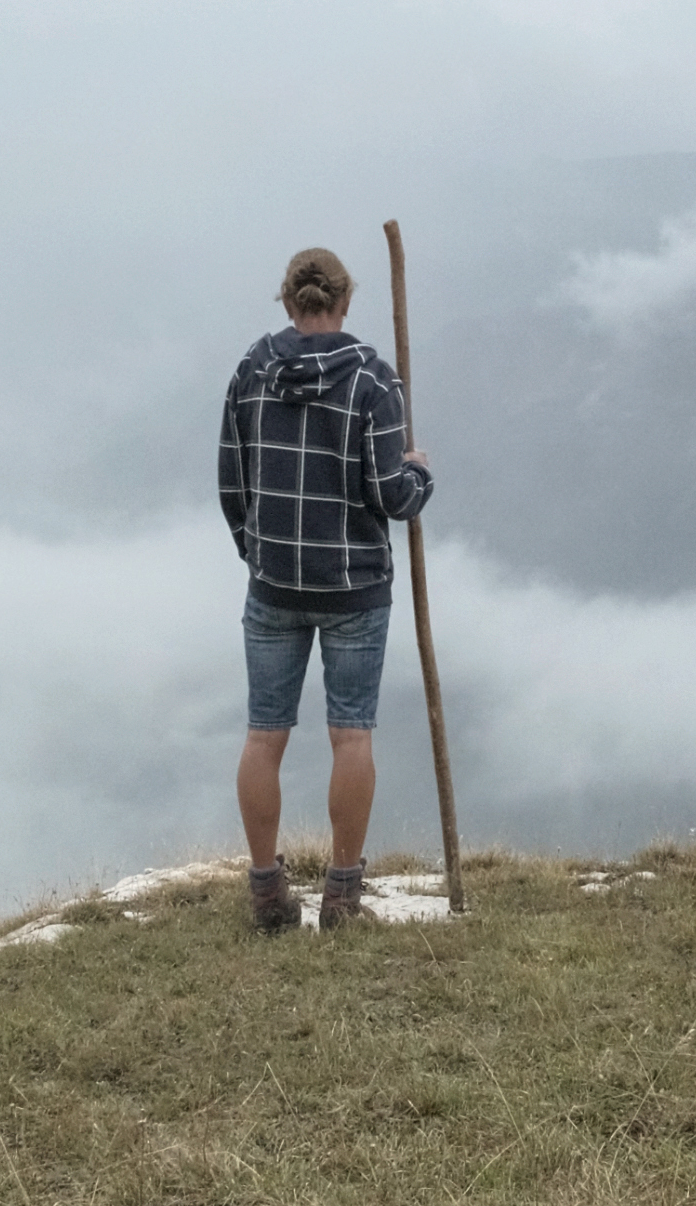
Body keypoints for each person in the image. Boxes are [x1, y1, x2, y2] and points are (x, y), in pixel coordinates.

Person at [218, 245, 434, 931]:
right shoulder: (374, 379)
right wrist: (420, 474)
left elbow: (233, 482)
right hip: (354, 587)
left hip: (275, 581)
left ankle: (267, 895)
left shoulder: (252, 371)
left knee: (264, 736)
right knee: (352, 737)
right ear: (343, 304)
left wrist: (257, 552)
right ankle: (342, 895)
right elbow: (391, 495)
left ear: (288, 302)